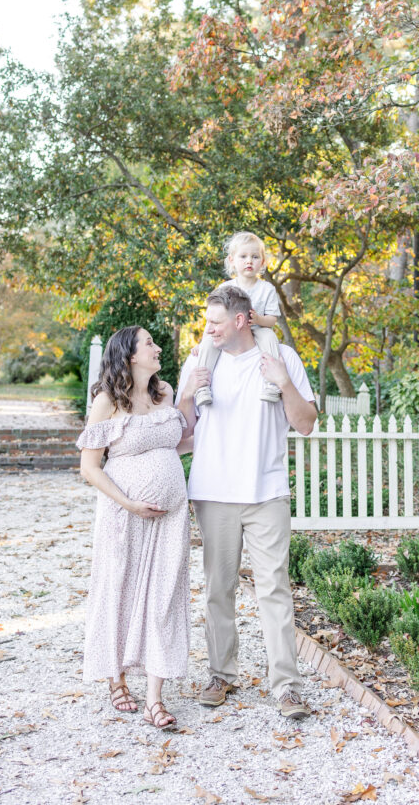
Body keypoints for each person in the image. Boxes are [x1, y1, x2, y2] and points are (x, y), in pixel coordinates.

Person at [177, 285, 318, 720]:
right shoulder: (200, 360)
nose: (208, 329)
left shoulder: (282, 358)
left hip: (266, 492)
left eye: (215, 322)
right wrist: (187, 393)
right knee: (218, 590)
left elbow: (307, 424)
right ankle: (221, 675)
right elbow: (181, 432)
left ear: (240, 320)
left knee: (274, 589)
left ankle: (288, 688)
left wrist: (283, 382)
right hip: (214, 493)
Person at [77, 326, 191, 729]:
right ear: (129, 355)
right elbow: (89, 467)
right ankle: (117, 677)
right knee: (119, 590)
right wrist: (129, 502)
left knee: (164, 595)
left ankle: (155, 699)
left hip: (170, 518)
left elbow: (176, 443)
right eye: (149, 343)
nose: (157, 348)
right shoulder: (107, 401)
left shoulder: (166, 394)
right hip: (123, 515)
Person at [194, 231, 282, 407]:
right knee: (208, 345)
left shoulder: (267, 289)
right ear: (232, 260)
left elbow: (272, 320)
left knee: (270, 338)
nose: (249, 261)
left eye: (255, 257)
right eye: (243, 256)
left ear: (262, 262)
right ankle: (202, 388)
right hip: (229, 332)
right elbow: (213, 318)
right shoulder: (225, 287)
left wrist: (258, 319)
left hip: (256, 330)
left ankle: (272, 384)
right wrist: (203, 340)